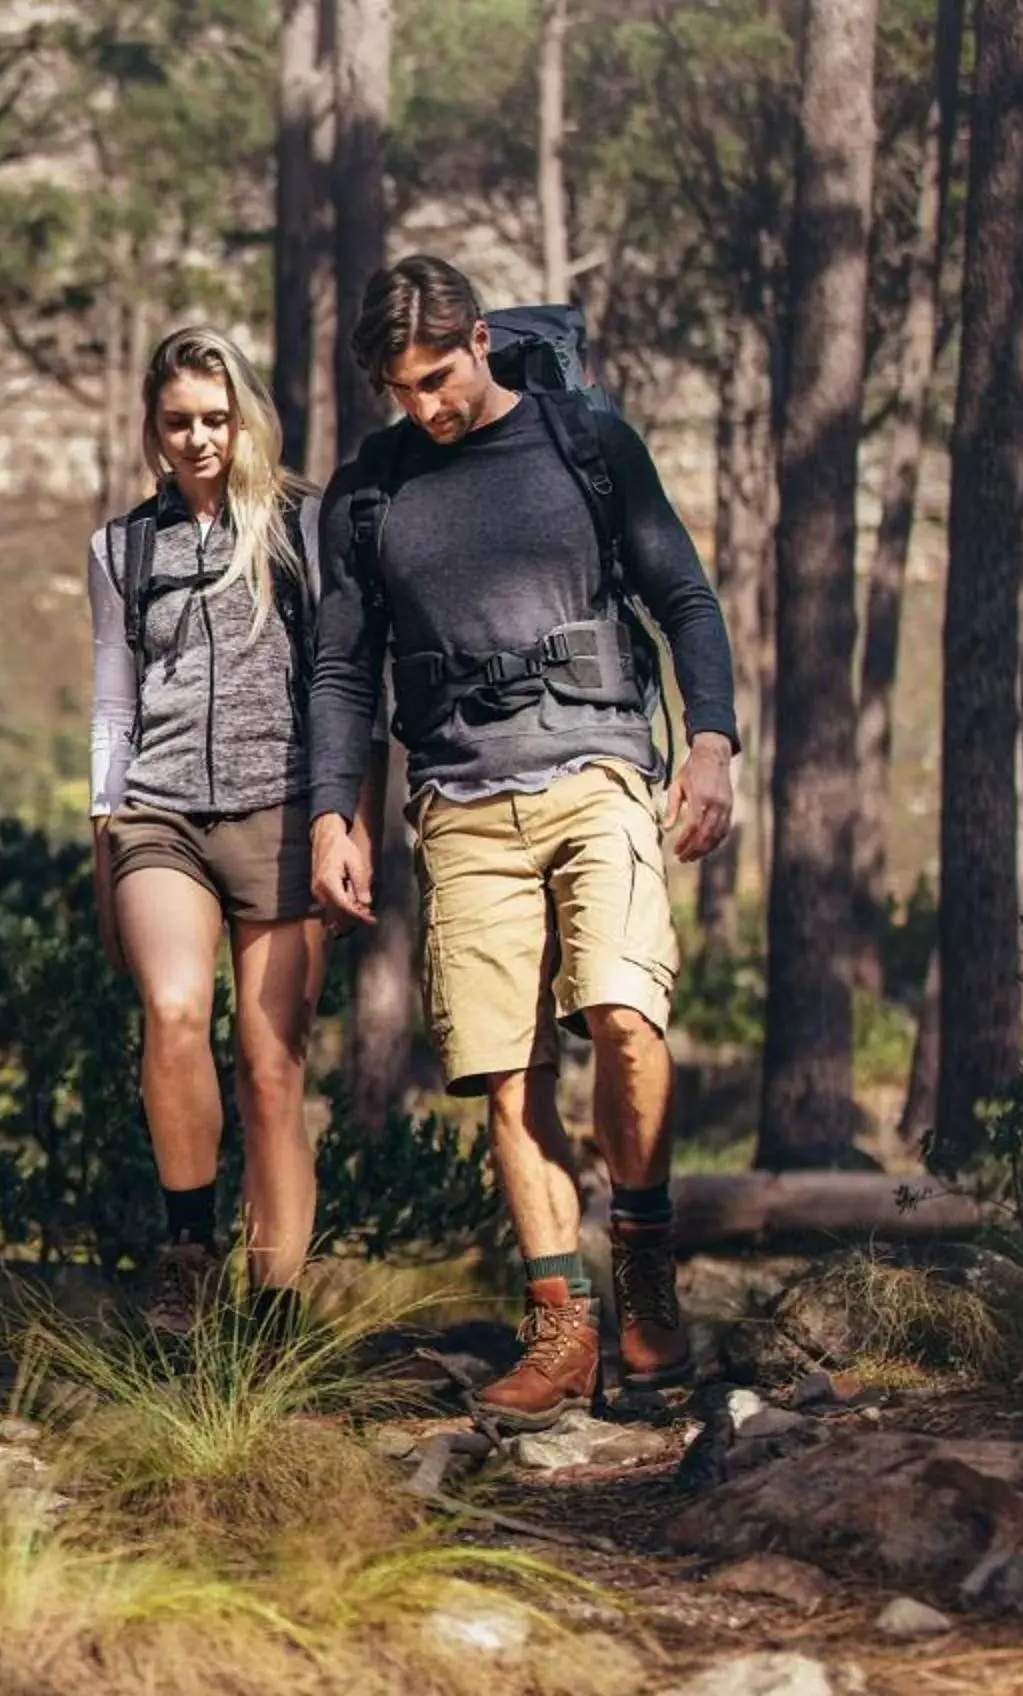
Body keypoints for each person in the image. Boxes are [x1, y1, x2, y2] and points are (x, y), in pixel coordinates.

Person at [307, 256, 739, 1430]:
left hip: (601, 769)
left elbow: (684, 599)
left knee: (625, 1019)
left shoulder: (583, 441)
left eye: (438, 378)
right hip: (459, 802)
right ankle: (562, 1323)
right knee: (509, 1072)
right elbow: (343, 668)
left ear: (483, 340)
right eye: (401, 389)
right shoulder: (370, 490)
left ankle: (642, 1256)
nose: (425, 407)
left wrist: (711, 742)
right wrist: (330, 810)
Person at [87, 325, 359, 1336]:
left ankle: (276, 1316)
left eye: (215, 417)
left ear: (244, 416)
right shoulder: (121, 548)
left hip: (284, 812)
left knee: (271, 1066)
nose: (198, 438)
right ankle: (189, 1251)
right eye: (177, 422)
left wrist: (346, 820)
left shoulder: (306, 526)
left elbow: (345, 681)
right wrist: (101, 828)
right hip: (160, 814)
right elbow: (114, 699)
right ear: (153, 431)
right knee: (170, 1008)